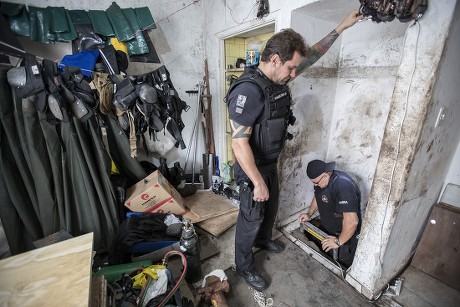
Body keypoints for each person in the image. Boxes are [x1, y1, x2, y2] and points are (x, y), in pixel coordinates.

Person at [226, 11, 363, 290]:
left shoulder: (277, 79)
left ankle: (264, 241)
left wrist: (341, 27)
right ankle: (243, 265)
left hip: (269, 163)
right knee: (251, 217)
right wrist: (256, 181)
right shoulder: (249, 91)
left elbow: (311, 56)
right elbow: (239, 143)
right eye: (290, 68)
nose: (293, 74)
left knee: (271, 208)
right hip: (252, 168)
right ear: (275, 60)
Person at [299, 159, 362, 267]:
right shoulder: (320, 183)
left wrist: (338, 242)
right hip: (327, 229)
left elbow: (352, 221)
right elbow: (317, 197)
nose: (316, 185)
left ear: (326, 176)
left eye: (316, 182)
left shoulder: (343, 185)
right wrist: (309, 213)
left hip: (343, 237)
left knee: (339, 264)